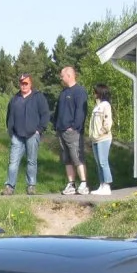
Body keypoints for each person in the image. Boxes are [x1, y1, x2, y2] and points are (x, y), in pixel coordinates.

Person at [2, 73, 50, 195]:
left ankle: (31, 186)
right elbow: (9, 117)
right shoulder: (14, 99)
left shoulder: (38, 97)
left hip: (33, 135)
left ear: (30, 84)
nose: (23, 86)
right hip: (17, 136)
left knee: (31, 161)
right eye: (21, 83)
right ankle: (9, 186)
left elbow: (45, 114)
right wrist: (11, 131)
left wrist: (39, 130)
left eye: (26, 83)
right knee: (13, 162)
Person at [55, 66, 89, 196]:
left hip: (73, 132)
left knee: (77, 157)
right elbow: (58, 110)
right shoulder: (63, 93)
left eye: (62, 76)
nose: (61, 78)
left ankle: (84, 183)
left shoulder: (79, 91)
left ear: (69, 75)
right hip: (61, 130)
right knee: (67, 159)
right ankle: (71, 184)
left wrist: (74, 126)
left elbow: (81, 111)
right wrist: (56, 125)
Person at [88, 84, 114, 196]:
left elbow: (107, 122)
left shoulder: (105, 105)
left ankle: (107, 185)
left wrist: (102, 131)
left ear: (100, 92)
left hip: (103, 138)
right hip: (95, 139)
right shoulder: (97, 106)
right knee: (98, 163)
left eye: (95, 92)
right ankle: (101, 184)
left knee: (103, 162)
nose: (94, 94)